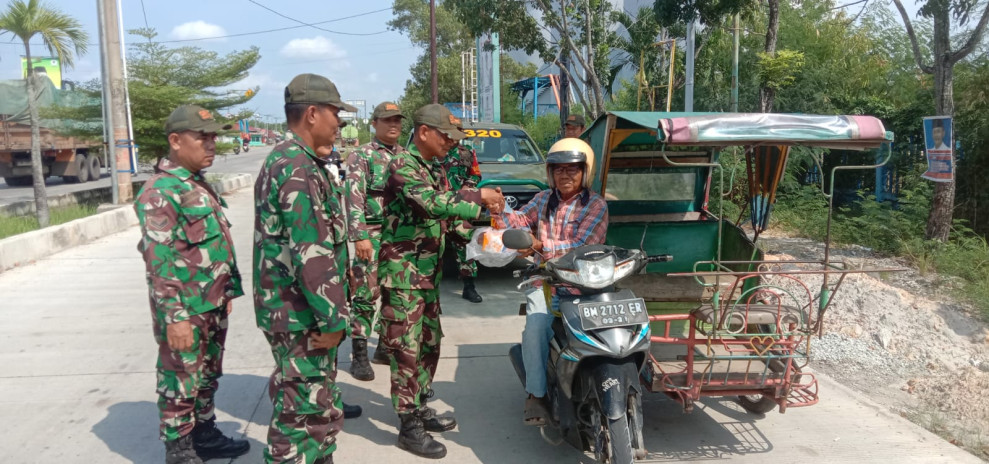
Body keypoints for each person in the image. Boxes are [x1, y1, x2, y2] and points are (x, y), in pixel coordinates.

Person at [378, 103, 504, 459]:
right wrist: (478, 198)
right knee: (406, 350)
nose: (451, 143)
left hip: (426, 274)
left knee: (429, 345)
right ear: (423, 132)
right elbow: (432, 203)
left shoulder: (432, 167)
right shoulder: (403, 165)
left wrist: (482, 237)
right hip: (403, 276)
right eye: (446, 136)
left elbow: (448, 216)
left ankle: (418, 407)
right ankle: (408, 426)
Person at [134, 104, 250, 464]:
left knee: (207, 375)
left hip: (211, 302)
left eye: (214, 136)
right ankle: (180, 449)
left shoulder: (195, 184)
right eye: (203, 137)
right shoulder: (161, 191)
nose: (212, 143)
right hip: (185, 309)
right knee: (180, 379)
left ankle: (204, 434)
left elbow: (211, 245)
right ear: (175, 140)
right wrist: (175, 317)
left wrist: (226, 290)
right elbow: (160, 262)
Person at [253, 73, 357, 464]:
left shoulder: (296, 160)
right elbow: (311, 254)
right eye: (335, 113)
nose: (339, 122)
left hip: (301, 311)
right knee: (299, 418)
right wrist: (333, 319)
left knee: (317, 403)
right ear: (312, 113)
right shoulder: (296, 166)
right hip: (301, 315)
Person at [500, 137, 608, 426]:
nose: (565, 174)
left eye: (572, 169)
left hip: (585, 286)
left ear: (585, 172)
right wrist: (499, 210)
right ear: (550, 173)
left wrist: (538, 246)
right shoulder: (543, 199)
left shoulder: (596, 205)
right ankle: (535, 395)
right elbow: (520, 221)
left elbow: (580, 246)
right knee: (536, 326)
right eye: (558, 169)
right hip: (546, 282)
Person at [345, 101, 408, 380]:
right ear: (374, 124)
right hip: (371, 234)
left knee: (395, 291)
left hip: (399, 235)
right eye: (387, 120)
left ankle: (384, 346)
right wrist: (359, 236)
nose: (393, 125)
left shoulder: (407, 156)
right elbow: (353, 195)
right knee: (365, 294)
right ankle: (359, 354)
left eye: (397, 120)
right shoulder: (362, 155)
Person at [439, 138, 484, 303]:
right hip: (437, 207)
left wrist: (467, 188)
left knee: (465, 247)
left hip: (460, 209)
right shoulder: (434, 151)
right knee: (432, 247)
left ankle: (469, 287)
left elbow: (476, 175)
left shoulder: (467, 152)